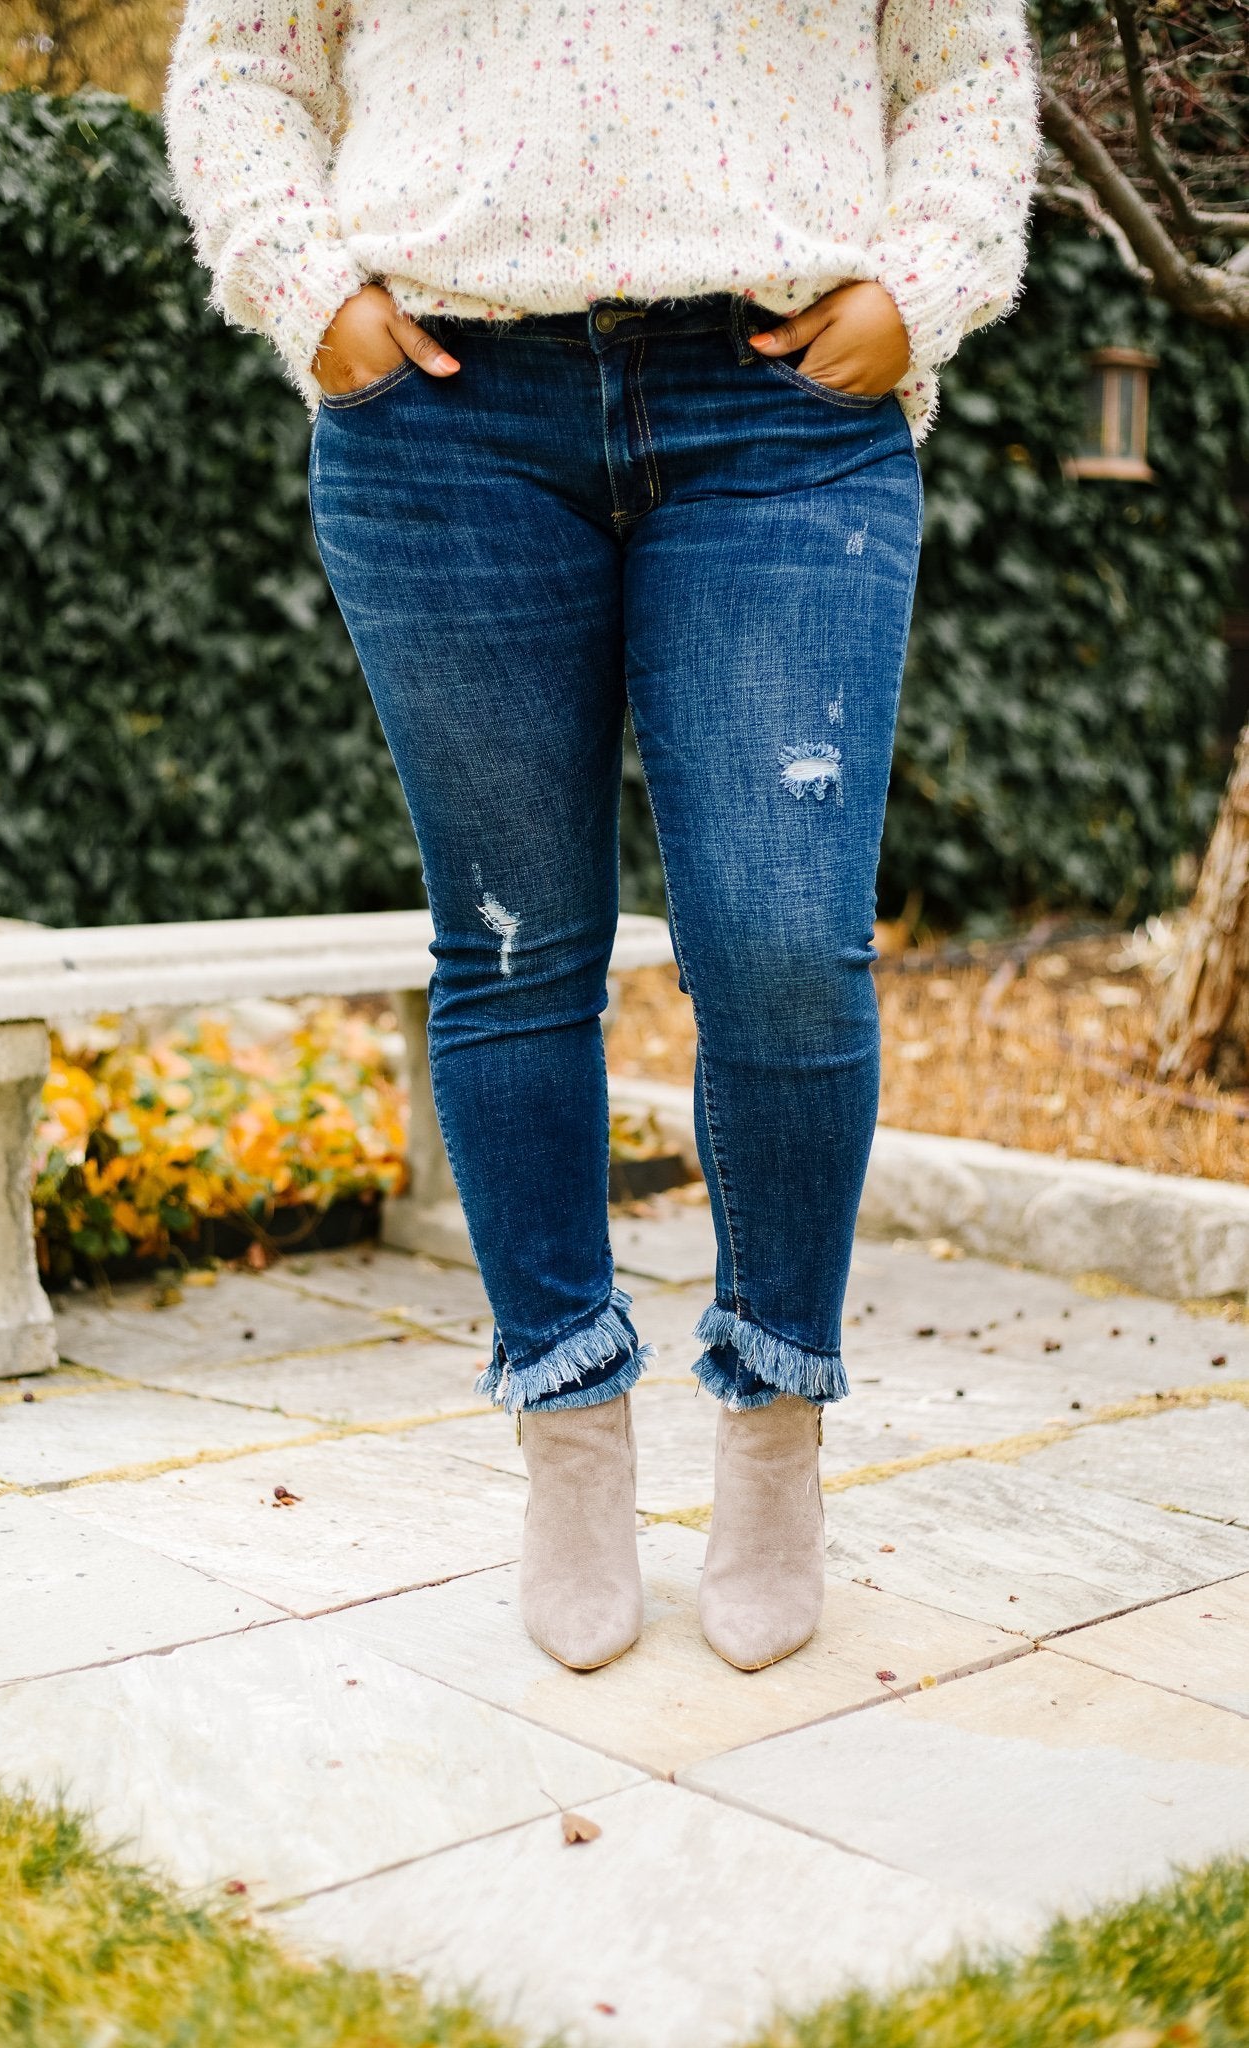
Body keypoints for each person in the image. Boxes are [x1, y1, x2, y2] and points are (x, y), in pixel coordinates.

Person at [166, 1, 1038, 1675]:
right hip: (446, 406)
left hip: (779, 403)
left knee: (785, 950)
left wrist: (917, 290)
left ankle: (775, 1408)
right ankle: (565, 1413)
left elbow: (966, 70)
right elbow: (242, 67)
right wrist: (309, 293)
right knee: (511, 942)